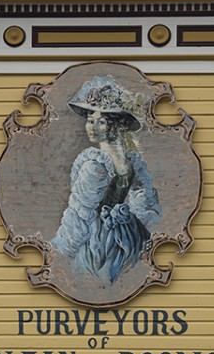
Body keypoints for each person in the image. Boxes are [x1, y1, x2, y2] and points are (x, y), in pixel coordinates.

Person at [52, 76, 161, 284]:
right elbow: (80, 215)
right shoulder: (110, 164)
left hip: (108, 242)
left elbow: (80, 217)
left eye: (101, 122)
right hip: (119, 238)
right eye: (90, 121)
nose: (92, 127)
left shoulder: (104, 166)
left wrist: (59, 252)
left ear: (117, 126)